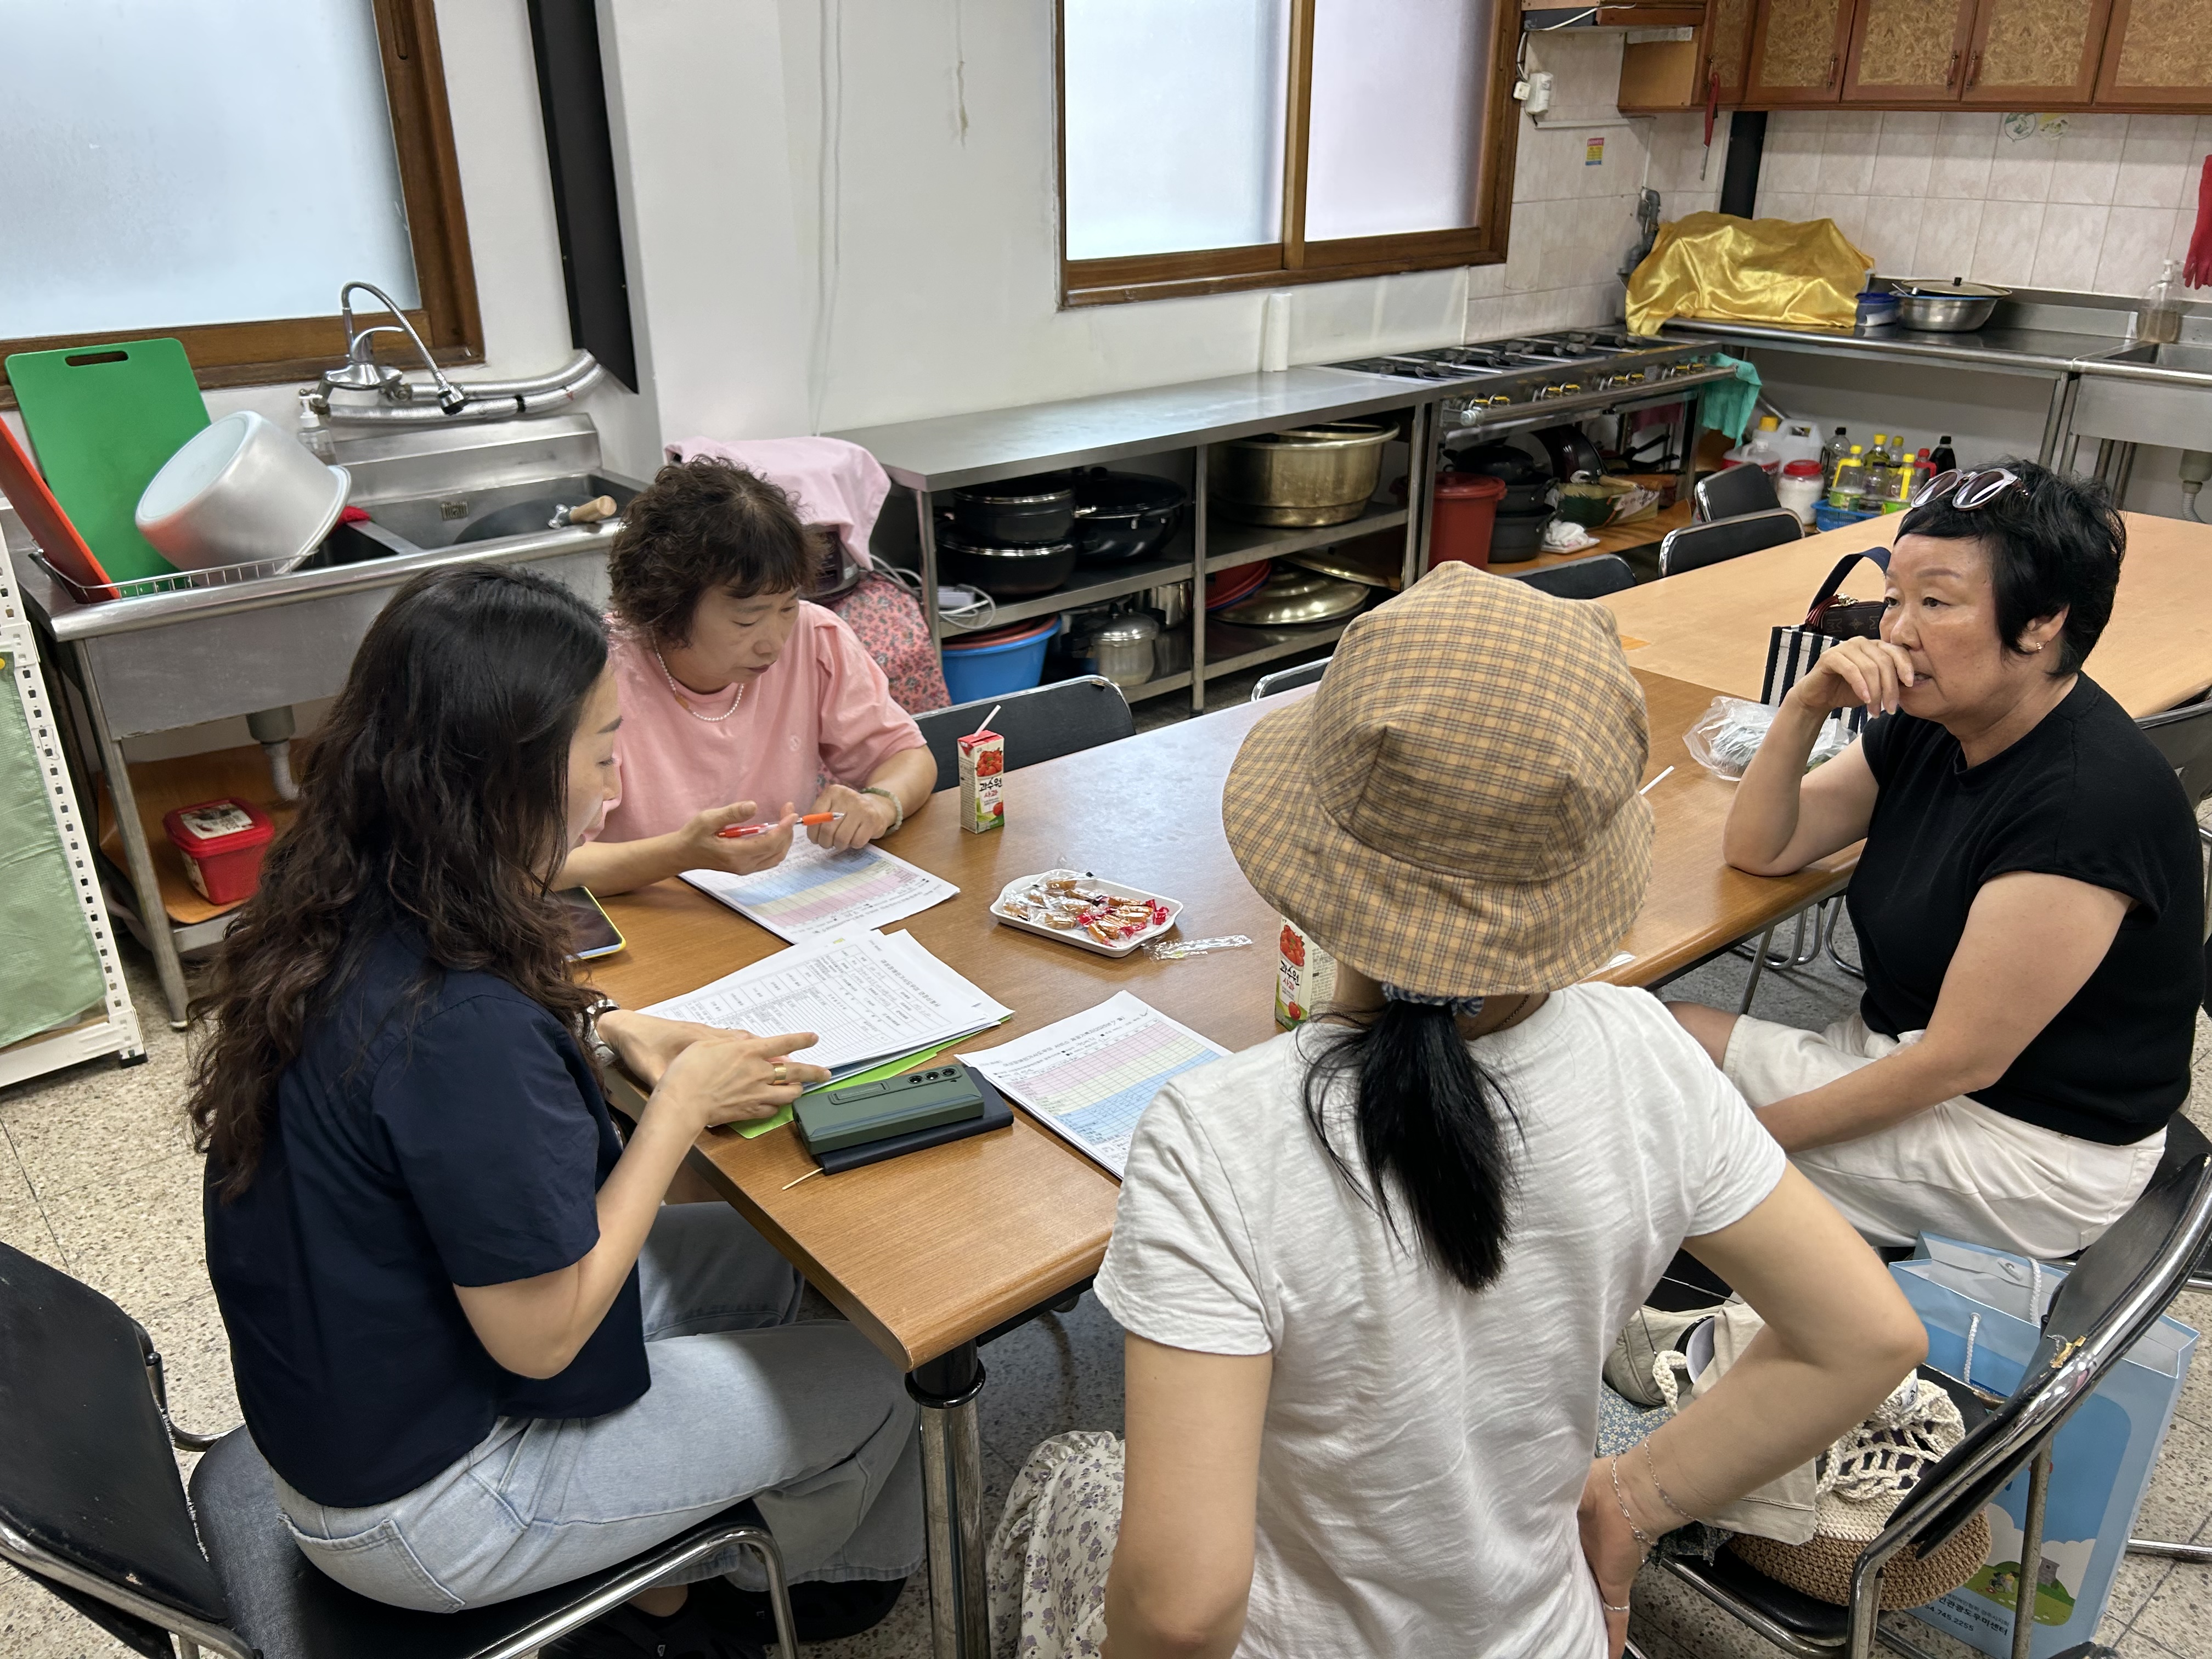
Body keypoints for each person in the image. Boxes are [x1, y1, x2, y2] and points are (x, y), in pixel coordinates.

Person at [992, 565, 1925, 1659]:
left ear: (1308, 855)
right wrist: (1633, 1494)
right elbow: (1867, 1336)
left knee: (1069, 1478)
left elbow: (1181, 1607)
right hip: (1550, 1634)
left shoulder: (1218, 1136)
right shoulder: (1644, 1047)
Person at [190, 567, 921, 1659]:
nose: (614, 793)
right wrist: (678, 1110)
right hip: (424, 1507)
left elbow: (432, 1102)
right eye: (605, 754)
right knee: (885, 1369)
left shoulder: (357, 887)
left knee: (812, 1265)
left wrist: (606, 1029)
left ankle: (670, 1547)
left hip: (374, 1393)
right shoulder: (456, 1030)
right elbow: (540, 1338)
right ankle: (768, 1589)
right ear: (508, 777)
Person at [1668, 461, 2202, 1260]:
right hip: (1901, 1057)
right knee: (1653, 1037)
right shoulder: (1940, 717)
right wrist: (1806, 704)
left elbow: (1954, 1065)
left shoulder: (2083, 805)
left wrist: (1743, 1147)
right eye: (1893, 599)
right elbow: (1764, 848)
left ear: (2042, 622)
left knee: (1655, 1141)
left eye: (1937, 603)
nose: (1896, 632)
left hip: (2026, 1147)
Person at [556, 459, 937, 895]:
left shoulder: (814, 637)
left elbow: (907, 756)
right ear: (668, 607)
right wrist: (679, 855)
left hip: (776, 901)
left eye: (787, 606)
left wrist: (878, 804)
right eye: (747, 620)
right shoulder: (598, 675)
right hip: (644, 915)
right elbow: (543, 865)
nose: (773, 643)